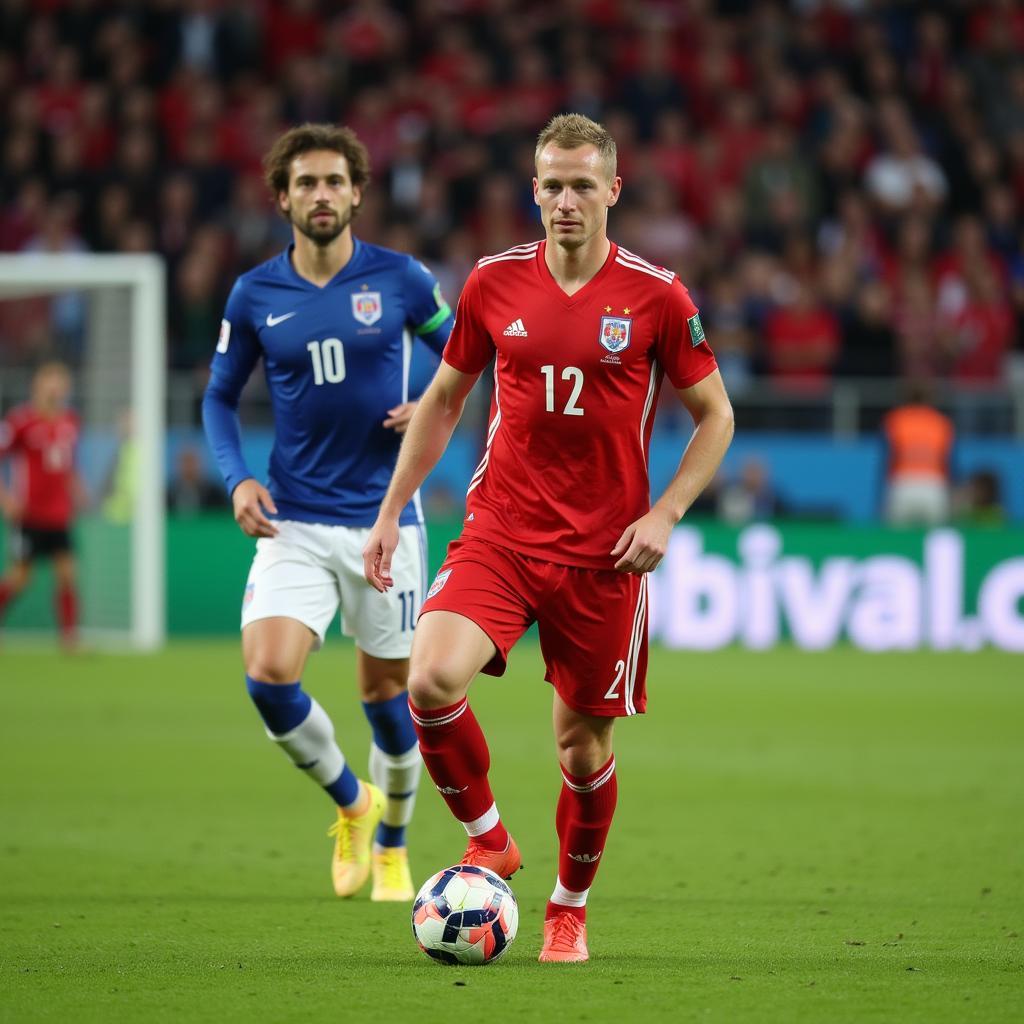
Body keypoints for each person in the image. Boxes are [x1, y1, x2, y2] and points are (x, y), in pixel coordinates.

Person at [363, 114, 734, 962]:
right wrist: (390, 513)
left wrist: (667, 510)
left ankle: (569, 905)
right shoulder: (492, 283)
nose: (566, 200)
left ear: (613, 189)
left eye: (582, 185)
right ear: (534, 191)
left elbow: (716, 417)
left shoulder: (659, 295)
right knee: (426, 680)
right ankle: (489, 839)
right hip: (502, 530)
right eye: (552, 185)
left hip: (606, 555)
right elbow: (446, 401)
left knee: (582, 745)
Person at [202, 124, 454, 902]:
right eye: (305, 183)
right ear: (282, 198)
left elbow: (468, 357)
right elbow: (217, 397)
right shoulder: (254, 294)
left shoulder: (404, 279)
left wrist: (431, 407)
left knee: (389, 698)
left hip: (387, 521)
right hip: (297, 519)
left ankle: (393, 843)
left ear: (356, 193)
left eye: (334, 182)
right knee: (269, 675)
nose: (321, 195)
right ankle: (353, 801)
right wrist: (238, 478)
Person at [0, 361, 83, 648]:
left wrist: (77, 490)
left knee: (68, 574)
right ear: (37, 384)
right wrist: (6, 499)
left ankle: (69, 638)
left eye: (60, 380)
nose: (55, 386)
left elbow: (67, 465)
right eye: (50, 379)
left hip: (59, 514)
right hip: (29, 515)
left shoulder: (70, 421)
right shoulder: (19, 421)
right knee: (21, 577)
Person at [881, 382, 955, 525]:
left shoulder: (896, 419)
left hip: (903, 483)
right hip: (933, 484)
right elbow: (946, 460)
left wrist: (884, 489)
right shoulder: (941, 422)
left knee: (896, 539)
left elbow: (889, 457)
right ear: (930, 398)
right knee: (935, 537)